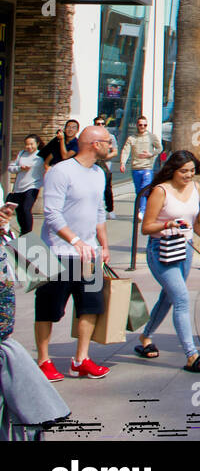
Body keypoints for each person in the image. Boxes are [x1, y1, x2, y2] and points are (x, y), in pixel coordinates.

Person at [33, 124, 116, 382]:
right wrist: (75, 240)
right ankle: (43, 360)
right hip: (56, 251)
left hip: (89, 253)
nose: (110, 145)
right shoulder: (60, 171)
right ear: (94, 144)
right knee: (48, 308)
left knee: (90, 306)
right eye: (107, 141)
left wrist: (103, 245)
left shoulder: (99, 173)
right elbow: (52, 213)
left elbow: (99, 211)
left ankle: (81, 360)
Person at [134, 151, 200, 372]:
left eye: (192, 171)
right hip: (161, 249)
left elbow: (196, 224)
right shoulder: (161, 191)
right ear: (173, 170)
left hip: (185, 249)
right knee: (181, 298)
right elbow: (146, 227)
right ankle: (191, 355)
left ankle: (145, 337)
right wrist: (166, 225)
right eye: (184, 171)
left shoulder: (195, 189)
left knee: (169, 297)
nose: (189, 175)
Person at [119, 115, 162, 221]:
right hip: (135, 168)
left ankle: (142, 211)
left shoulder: (151, 136)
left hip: (147, 168)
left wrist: (151, 154)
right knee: (139, 192)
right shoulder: (131, 138)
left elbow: (160, 148)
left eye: (145, 125)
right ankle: (140, 210)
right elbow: (125, 151)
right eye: (140, 125)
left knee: (144, 189)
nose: (142, 127)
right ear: (137, 125)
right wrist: (122, 163)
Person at [7, 135, 45, 236]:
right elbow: (10, 168)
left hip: (33, 186)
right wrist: (20, 168)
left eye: (31, 144)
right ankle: (23, 232)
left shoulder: (41, 156)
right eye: (27, 144)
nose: (29, 146)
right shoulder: (22, 154)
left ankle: (28, 233)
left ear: (37, 144)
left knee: (26, 208)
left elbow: (48, 167)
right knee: (19, 212)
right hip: (19, 188)